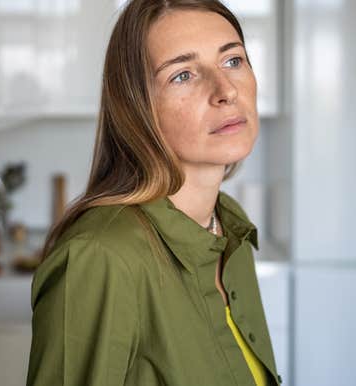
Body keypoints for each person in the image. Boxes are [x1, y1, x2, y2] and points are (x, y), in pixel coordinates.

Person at [26, 0, 281, 385]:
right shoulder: (100, 257)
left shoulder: (230, 227)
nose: (226, 90)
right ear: (135, 108)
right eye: (183, 75)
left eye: (233, 61)